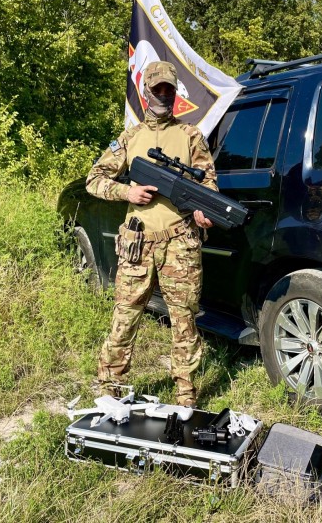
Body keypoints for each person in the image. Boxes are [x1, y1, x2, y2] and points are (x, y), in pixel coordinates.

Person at [85, 61, 218, 407]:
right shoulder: (129, 138)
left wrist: (205, 211)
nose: (162, 95)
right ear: (145, 91)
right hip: (138, 242)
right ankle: (109, 388)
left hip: (180, 243)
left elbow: (208, 184)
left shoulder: (191, 136)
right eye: (156, 89)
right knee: (125, 315)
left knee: (184, 320)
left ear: (175, 94)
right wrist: (126, 193)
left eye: (168, 90)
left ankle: (186, 396)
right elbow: (94, 179)